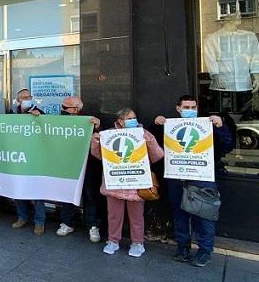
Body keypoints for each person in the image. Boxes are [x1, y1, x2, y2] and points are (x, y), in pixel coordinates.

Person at [151, 95, 233, 267]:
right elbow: (154, 146)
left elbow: (227, 146)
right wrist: (155, 124)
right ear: (178, 109)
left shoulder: (208, 126)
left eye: (193, 107)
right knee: (179, 215)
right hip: (177, 179)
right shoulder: (170, 127)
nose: (190, 110)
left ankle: (205, 251)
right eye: (186, 107)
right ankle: (183, 247)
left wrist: (221, 126)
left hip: (202, 178)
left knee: (204, 216)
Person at [91, 108, 164, 258]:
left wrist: (148, 140)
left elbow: (157, 155)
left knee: (137, 217)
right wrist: (96, 141)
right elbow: (98, 155)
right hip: (114, 183)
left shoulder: (144, 134)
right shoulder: (109, 134)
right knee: (113, 216)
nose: (133, 120)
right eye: (128, 118)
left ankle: (138, 243)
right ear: (120, 122)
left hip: (137, 184)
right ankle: (113, 241)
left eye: (134, 117)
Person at [55, 96, 104, 243]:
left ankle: (92, 226)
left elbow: (101, 139)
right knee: (68, 193)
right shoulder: (59, 122)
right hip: (68, 164)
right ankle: (67, 223)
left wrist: (97, 127)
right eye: (62, 107)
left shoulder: (89, 121)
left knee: (90, 196)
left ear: (75, 110)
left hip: (87, 165)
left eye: (65, 108)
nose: (62, 110)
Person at [10, 89, 46, 235]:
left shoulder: (40, 113)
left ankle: (39, 222)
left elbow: (47, 132)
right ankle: (22, 217)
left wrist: (41, 119)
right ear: (18, 100)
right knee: (19, 190)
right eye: (23, 98)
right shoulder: (12, 114)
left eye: (28, 97)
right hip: (18, 157)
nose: (26, 99)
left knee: (37, 193)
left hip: (35, 158)